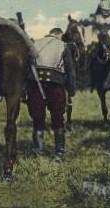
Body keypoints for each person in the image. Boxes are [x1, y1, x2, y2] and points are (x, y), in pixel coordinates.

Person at [26, 28, 76, 161]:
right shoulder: (63, 45)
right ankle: (59, 152)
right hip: (56, 85)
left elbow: (27, 66)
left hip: (35, 84)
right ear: (59, 35)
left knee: (37, 117)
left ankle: (38, 150)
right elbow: (70, 70)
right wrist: (71, 89)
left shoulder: (34, 43)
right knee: (58, 117)